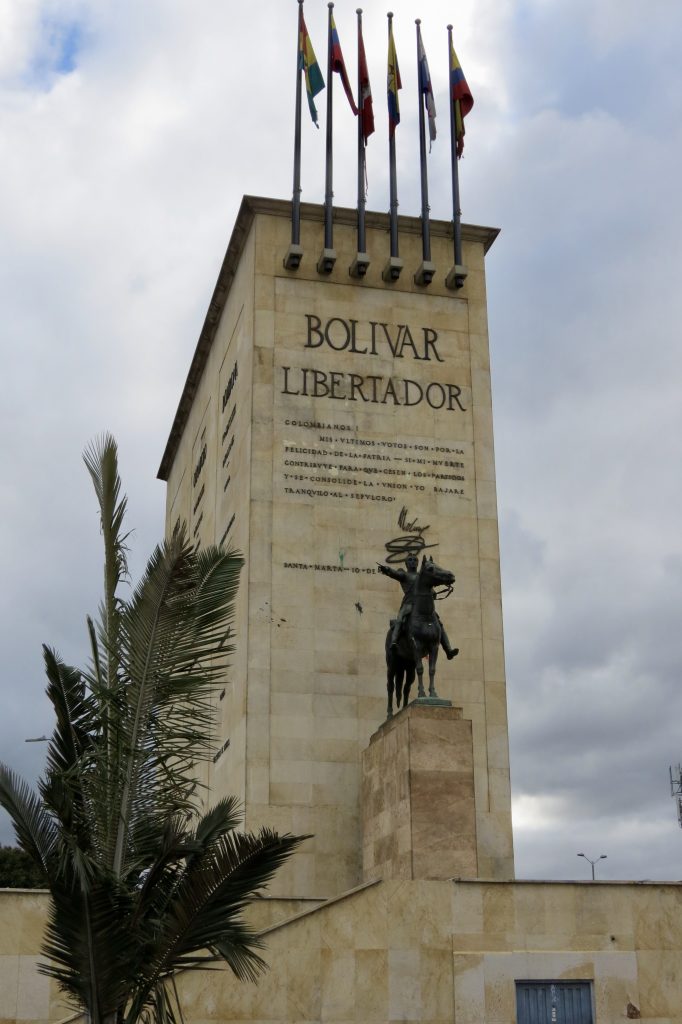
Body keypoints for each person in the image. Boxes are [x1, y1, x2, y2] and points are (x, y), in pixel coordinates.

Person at [377, 554, 458, 659]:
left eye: (415, 560)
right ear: (406, 563)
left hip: (423, 606)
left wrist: (433, 593)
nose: (413, 562)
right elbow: (395, 574)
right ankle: (394, 642)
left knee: (438, 623)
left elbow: (431, 590)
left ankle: (448, 650)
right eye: (410, 560)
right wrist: (387, 569)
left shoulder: (423, 576)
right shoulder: (404, 574)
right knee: (400, 619)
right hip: (409, 604)